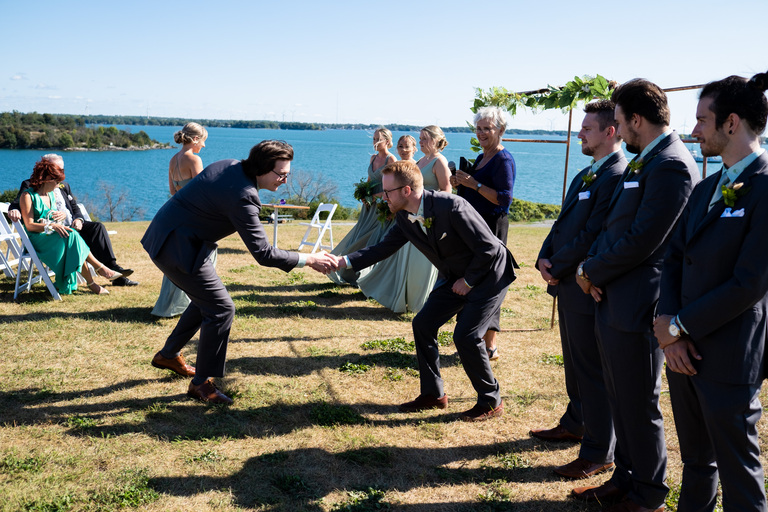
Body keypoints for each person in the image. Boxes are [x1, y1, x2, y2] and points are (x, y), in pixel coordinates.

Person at [572, 79, 699, 512]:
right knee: (620, 396)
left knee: (639, 403)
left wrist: (590, 270)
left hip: (641, 302)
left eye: (622, 121)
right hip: (615, 300)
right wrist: (594, 268)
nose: (619, 130)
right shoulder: (648, 160)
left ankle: (649, 494)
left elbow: (646, 239)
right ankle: (625, 478)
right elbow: (615, 227)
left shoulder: (672, 165)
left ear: (637, 120)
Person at [142, 140, 337, 405]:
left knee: (206, 303)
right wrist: (309, 258)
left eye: (287, 174)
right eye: (281, 174)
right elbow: (263, 254)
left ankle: (168, 354)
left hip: (168, 238)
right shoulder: (244, 195)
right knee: (221, 309)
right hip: (177, 248)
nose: (285, 180)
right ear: (261, 168)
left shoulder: (230, 165)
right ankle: (201, 383)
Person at [654, 72, 768, 512]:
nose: (694, 130)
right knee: (698, 463)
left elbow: (750, 283)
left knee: (739, 474)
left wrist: (679, 326)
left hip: (729, 354)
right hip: (682, 350)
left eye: (702, 119)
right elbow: (673, 260)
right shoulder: (704, 189)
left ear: (732, 123)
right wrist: (668, 327)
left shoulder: (765, 188)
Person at [332, 160, 516, 421]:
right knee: (423, 323)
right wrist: (345, 261)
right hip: (455, 276)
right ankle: (433, 395)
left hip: (488, 275)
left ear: (406, 191)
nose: (383, 197)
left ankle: (490, 402)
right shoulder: (405, 216)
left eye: (387, 192)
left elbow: (489, 250)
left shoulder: (452, 206)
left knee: (466, 335)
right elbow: (383, 248)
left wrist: (469, 281)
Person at [530, 100, 625, 480]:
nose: (579, 133)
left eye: (586, 129)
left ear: (609, 132)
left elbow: (594, 233)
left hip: (586, 285)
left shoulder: (616, 174)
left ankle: (599, 451)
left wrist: (562, 264)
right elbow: (563, 221)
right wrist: (543, 256)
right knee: (575, 364)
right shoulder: (587, 173)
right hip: (566, 283)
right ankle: (576, 421)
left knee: (592, 371)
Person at [355, 128, 450, 313]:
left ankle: (420, 303)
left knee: (421, 263)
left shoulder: (440, 161)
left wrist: (433, 213)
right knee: (405, 260)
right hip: (411, 217)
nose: (420, 142)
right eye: (420, 138)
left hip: (427, 219)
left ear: (435, 140)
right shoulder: (422, 161)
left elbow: (446, 191)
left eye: (424, 139)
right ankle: (404, 298)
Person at [8, 154, 138, 287]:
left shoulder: (64, 185)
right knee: (73, 236)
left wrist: (79, 219)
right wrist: (14, 209)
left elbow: (75, 207)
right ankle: (100, 276)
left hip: (70, 224)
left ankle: (113, 268)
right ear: (48, 168)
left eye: (62, 170)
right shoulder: (30, 184)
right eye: (58, 169)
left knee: (97, 227)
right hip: (51, 232)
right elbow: (19, 202)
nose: (61, 173)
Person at [451, 107, 516, 360]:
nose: (481, 133)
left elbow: (504, 199)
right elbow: (473, 191)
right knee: (473, 280)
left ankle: (490, 345)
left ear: (500, 130)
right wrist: (461, 183)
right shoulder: (481, 158)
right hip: (474, 229)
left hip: (492, 229)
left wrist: (474, 184)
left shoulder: (504, 160)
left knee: (490, 283)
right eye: (478, 128)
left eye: (487, 128)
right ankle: (472, 338)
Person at [152, 123, 209, 317]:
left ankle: (171, 303)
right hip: (194, 213)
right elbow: (202, 191)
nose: (204, 146)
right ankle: (192, 302)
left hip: (177, 212)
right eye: (203, 141)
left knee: (179, 259)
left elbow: (172, 190)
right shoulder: (194, 159)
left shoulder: (173, 159)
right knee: (198, 257)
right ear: (195, 140)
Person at [328, 127, 396, 285]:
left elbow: (392, 186)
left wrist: (376, 197)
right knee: (360, 234)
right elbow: (369, 180)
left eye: (377, 139)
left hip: (381, 203)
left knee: (371, 237)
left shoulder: (391, 159)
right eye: (373, 139)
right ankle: (348, 270)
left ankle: (366, 275)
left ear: (386, 141)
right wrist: (363, 194)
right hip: (369, 204)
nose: (374, 142)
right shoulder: (372, 158)